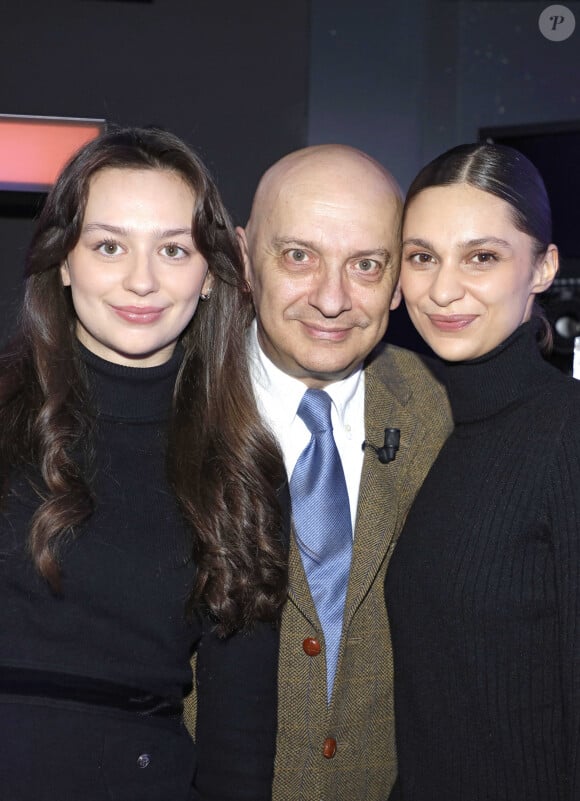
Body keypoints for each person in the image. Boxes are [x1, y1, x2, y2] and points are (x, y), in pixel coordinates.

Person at [0, 126, 287, 801]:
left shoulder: (241, 467)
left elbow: (237, 736)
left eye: (173, 249)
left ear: (212, 274)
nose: (141, 279)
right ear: (64, 261)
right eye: (108, 246)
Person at [233, 144, 452, 801]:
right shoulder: (169, 402)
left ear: (396, 282)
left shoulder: (443, 413)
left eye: (365, 264)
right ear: (245, 258)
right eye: (299, 256)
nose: (332, 299)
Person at [385, 142, 580, 800]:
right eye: (422, 257)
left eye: (482, 257)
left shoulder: (567, 434)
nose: (443, 289)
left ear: (544, 266)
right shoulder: (425, 426)